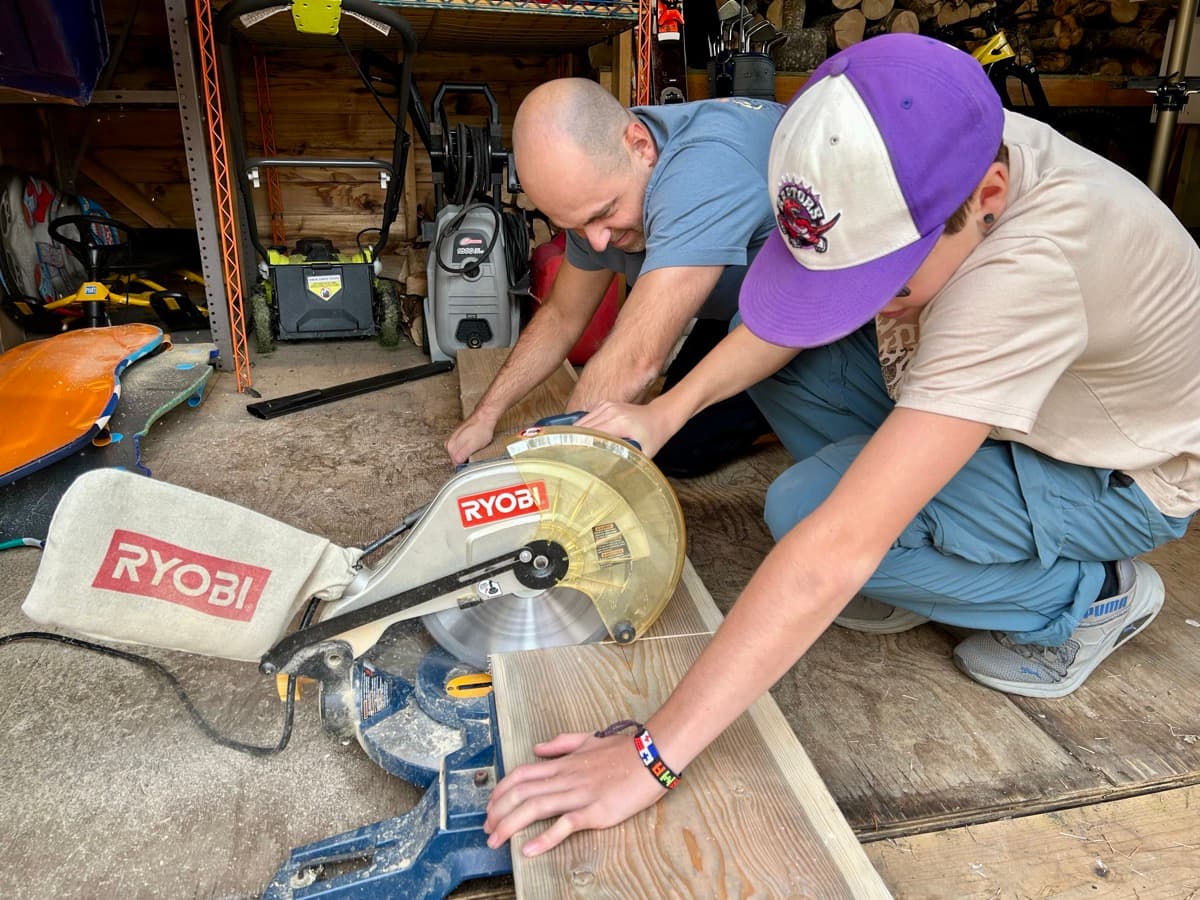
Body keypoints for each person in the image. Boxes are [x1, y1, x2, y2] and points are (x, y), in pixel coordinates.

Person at [481, 34, 1200, 856]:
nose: (873, 301)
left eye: (883, 280)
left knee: (810, 511)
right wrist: (664, 413)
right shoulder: (917, 143)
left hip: (1114, 474)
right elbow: (785, 322)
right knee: (794, 362)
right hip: (1022, 403)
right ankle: (937, 543)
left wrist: (650, 756)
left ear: (991, 195)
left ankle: (1088, 600)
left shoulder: (1028, 274)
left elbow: (836, 549)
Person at [445, 78, 783, 477]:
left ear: (640, 146)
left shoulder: (704, 170)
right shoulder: (600, 185)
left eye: (603, 213)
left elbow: (636, 359)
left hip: (814, 312)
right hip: (732, 297)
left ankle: (781, 418)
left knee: (685, 446)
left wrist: (554, 480)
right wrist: (487, 414)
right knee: (668, 444)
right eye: (575, 226)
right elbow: (562, 315)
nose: (597, 242)